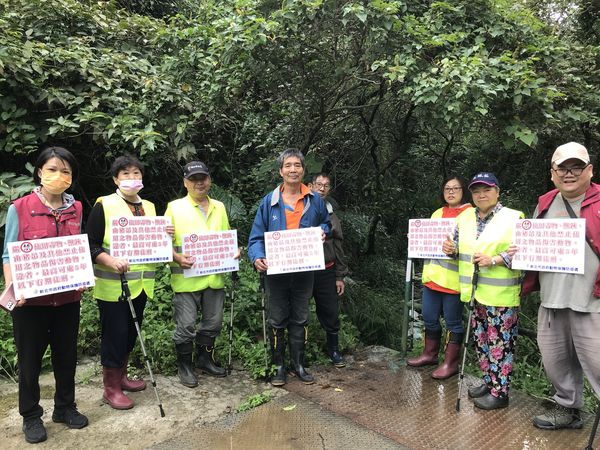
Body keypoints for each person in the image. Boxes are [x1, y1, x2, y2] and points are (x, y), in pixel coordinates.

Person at [2, 147, 88, 444]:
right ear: (39, 171)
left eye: (66, 171)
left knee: (66, 357)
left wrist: (82, 275)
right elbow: (8, 254)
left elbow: (76, 248)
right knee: (30, 362)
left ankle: (65, 407)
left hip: (66, 300)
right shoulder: (20, 208)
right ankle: (30, 415)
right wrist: (14, 289)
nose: (59, 176)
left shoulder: (75, 207)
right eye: (52, 169)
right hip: (31, 304)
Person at [523, 142, 600, 430]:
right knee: (556, 362)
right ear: (553, 174)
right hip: (553, 300)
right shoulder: (544, 204)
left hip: (592, 302)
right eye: (562, 168)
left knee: (598, 363)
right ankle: (567, 409)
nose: (569, 174)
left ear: (589, 170)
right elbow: (531, 247)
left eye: (576, 167)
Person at [87, 155, 170, 410]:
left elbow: (155, 244)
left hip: (142, 283)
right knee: (115, 334)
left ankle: (121, 377)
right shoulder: (105, 204)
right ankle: (110, 388)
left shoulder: (150, 206)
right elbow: (90, 245)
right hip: (113, 285)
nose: (132, 179)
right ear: (115, 179)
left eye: (136, 174)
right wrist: (108, 260)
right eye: (125, 174)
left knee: (131, 333)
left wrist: (166, 235)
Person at [248, 149, 330, 387]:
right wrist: (257, 258)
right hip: (276, 272)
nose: (293, 170)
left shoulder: (315, 200)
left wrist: (324, 231)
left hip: (304, 271)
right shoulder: (269, 202)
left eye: (297, 165)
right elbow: (255, 238)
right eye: (288, 165)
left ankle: (299, 364)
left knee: (301, 316)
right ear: (280, 171)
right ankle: (279, 366)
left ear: (303, 170)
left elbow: (325, 223)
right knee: (277, 318)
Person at [443, 172, 522, 410]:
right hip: (475, 293)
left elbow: (523, 251)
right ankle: (489, 383)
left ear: (497, 192)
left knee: (500, 344)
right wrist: (450, 249)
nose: (481, 195)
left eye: (486, 190)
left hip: (501, 296)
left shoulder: (513, 218)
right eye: (476, 191)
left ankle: (500, 392)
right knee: (481, 342)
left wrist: (495, 259)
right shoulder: (465, 217)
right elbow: (458, 247)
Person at [165, 161, 239, 388]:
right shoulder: (174, 207)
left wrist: (234, 251)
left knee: (213, 322)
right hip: (186, 278)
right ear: (185, 183)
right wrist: (176, 257)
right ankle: (185, 366)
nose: (199, 183)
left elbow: (225, 236)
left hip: (213, 278)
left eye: (203, 178)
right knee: (186, 324)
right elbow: (160, 244)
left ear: (209, 180)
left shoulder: (219, 207)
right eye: (194, 179)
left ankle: (205, 359)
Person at [408, 176, 471, 379]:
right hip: (432, 277)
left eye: (455, 188)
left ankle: (450, 363)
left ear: (463, 191)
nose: (451, 192)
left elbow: (472, 245)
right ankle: (429, 354)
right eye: (447, 188)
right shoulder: (438, 213)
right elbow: (430, 241)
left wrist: (457, 249)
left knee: (453, 322)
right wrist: (417, 239)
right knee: (429, 317)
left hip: (454, 281)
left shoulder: (470, 214)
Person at [310, 173, 349, 367]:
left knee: (330, 311)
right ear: (310, 186)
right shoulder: (300, 208)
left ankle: (333, 349)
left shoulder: (332, 214)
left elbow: (338, 245)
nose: (322, 188)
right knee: (298, 311)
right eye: (319, 184)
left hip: (327, 269)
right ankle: (300, 352)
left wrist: (339, 275)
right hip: (304, 270)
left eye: (326, 185)